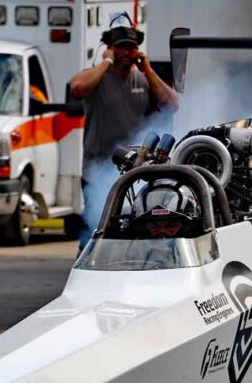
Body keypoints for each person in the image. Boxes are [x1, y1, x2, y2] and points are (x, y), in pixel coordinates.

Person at [68, 21, 179, 248]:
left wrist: (147, 69)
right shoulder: (96, 77)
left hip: (134, 167)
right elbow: (77, 87)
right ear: (109, 48)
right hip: (98, 166)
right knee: (96, 221)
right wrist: (107, 62)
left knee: (132, 220)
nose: (126, 53)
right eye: (120, 48)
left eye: (131, 47)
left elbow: (172, 103)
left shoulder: (143, 79)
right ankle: (87, 259)